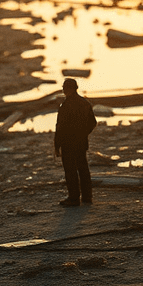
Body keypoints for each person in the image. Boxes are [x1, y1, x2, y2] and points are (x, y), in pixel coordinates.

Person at [54, 77, 97, 207]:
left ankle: (74, 198)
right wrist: (83, 134)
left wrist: (57, 145)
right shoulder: (85, 103)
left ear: (71, 89)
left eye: (65, 88)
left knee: (70, 171)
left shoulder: (65, 106)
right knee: (83, 169)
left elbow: (60, 127)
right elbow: (93, 123)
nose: (64, 90)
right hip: (81, 142)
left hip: (68, 143)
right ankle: (87, 197)